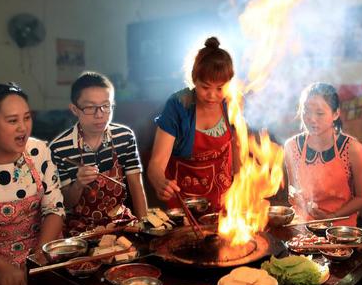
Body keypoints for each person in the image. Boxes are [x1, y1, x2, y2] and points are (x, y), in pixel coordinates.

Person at [0, 83, 64, 285]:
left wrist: (37, 258)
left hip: (39, 249)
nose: (23, 128)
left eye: (27, 117)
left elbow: (54, 209)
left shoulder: (39, 151)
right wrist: (3, 270)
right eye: (12, 121)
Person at [50, 72, 147, 236]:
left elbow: (136, 185)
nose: (100, 114)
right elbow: (66, 203)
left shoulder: (124, 137)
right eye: (90, 107)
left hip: (121, 222)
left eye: (106, 106)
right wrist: (78, 184)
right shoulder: (59, 148)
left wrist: (145, 226)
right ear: (74, 109)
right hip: (80, 230)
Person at [147, 37, 238, 213]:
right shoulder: (178, 106)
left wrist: (240, 186)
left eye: (220, 88)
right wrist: (160, 183)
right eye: (205, 87)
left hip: (224, 200)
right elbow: (156, 165)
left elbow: (238, 151)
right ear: (194, 80)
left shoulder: (233, 103)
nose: (212, 95)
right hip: (184, 203)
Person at [284, 82, 362, 225]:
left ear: (336, 114)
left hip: (339, 228)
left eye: (320, 113)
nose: (311, 118)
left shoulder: (353, 149)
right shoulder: (291, 147)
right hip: (302, 225)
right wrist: (295, 195)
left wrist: (332, 217)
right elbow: (293, 188)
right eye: (306, 111)